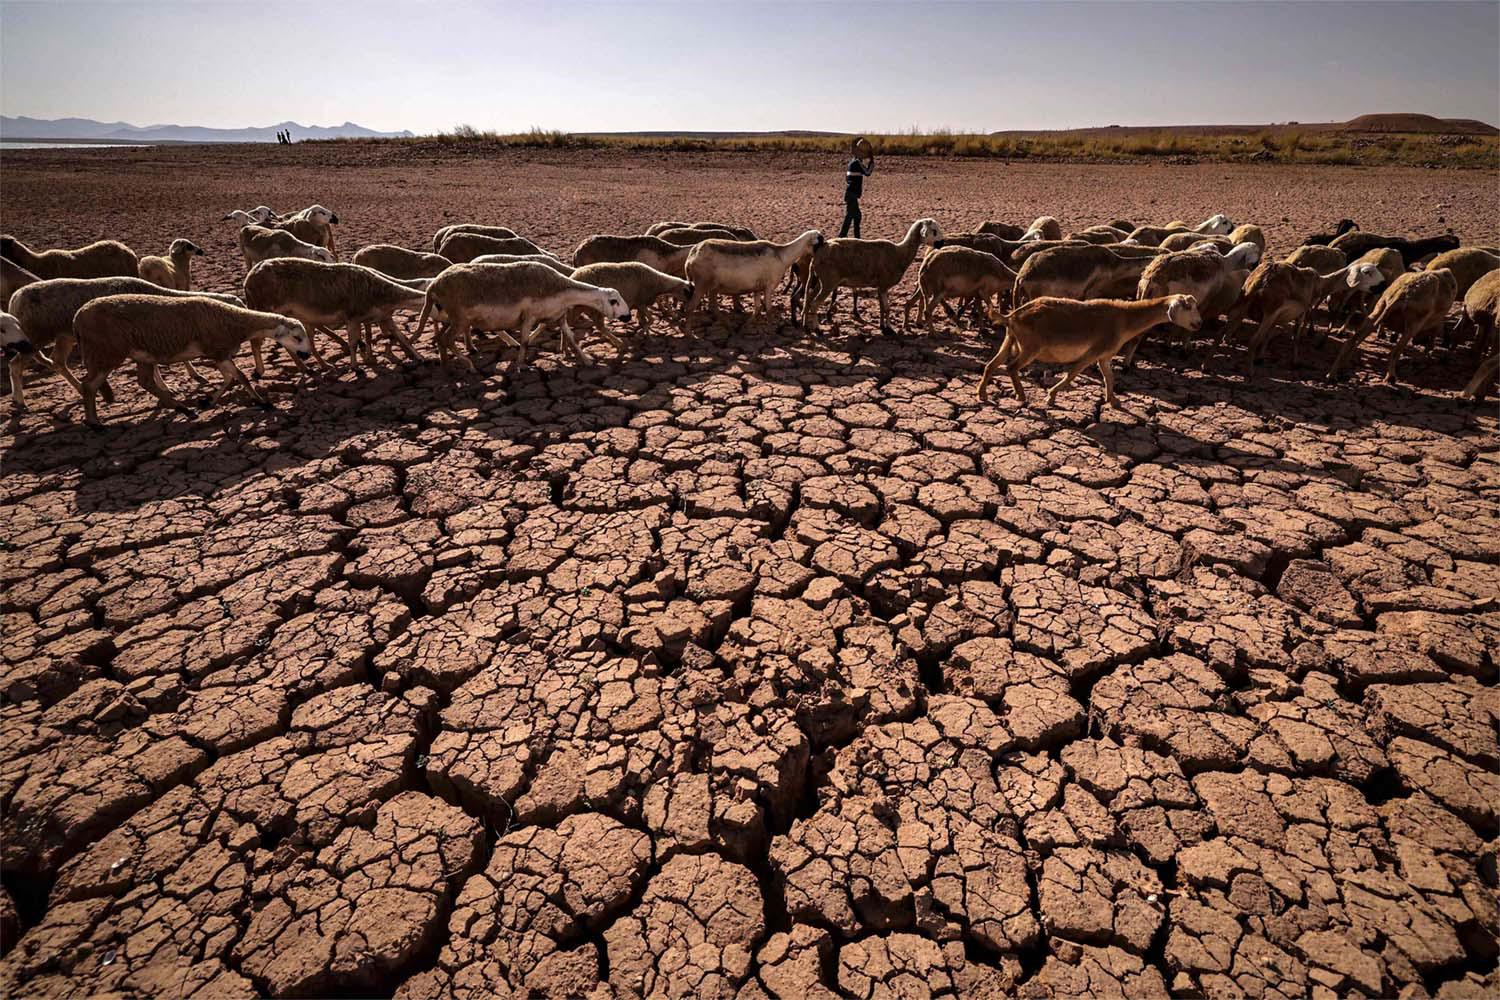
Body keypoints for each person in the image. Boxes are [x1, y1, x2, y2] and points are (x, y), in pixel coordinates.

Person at [839, 138, 875, 238]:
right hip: (852, 195)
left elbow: (847, 179)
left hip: (850, 193)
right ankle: (842, 237)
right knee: (851, 216)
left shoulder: (852, 163)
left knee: (855, 216)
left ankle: (856, 237)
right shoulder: (857, 163)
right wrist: (872, 163)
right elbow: (868, 173)